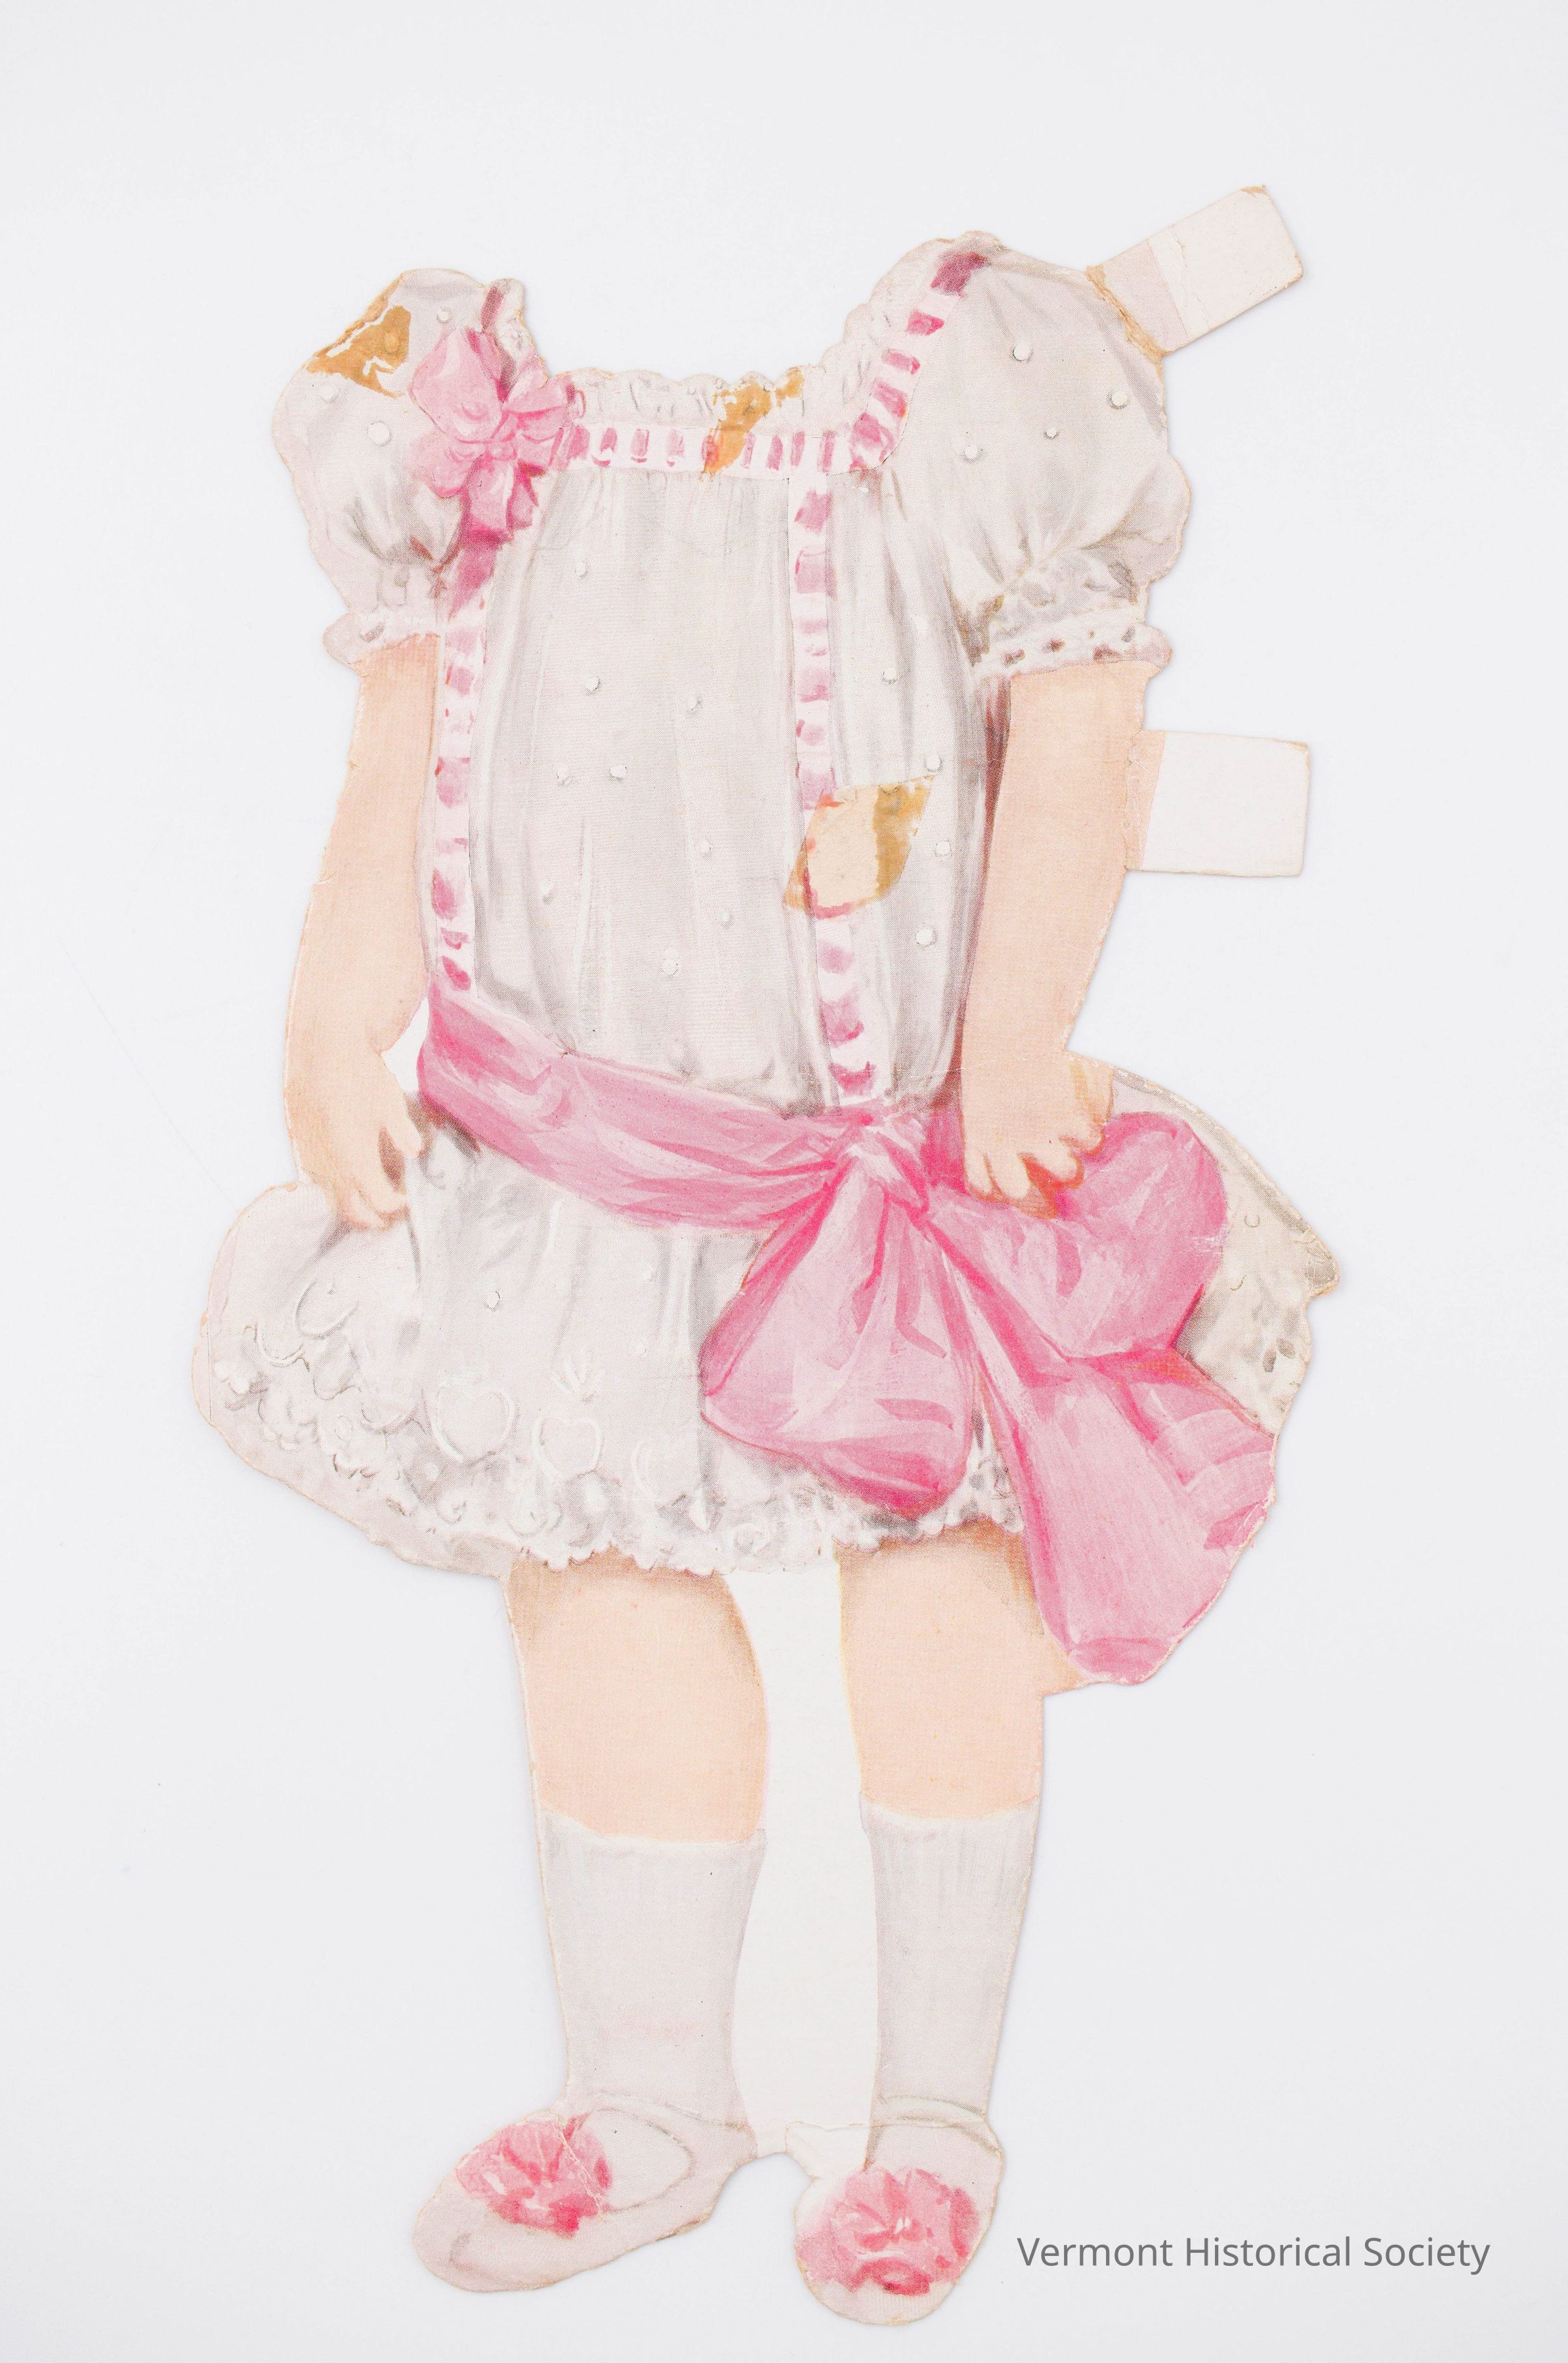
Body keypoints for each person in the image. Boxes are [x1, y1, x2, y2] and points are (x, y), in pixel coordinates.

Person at [198, 238, 1333, 2322]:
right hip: (570, 1170)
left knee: (933, 1585)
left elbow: (1078, 716)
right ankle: (651, 2100)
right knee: (600, 1588)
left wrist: (1015, 1040)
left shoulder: (960, 390)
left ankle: (936, 2112)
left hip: (870, 1156)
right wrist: (334, 1010)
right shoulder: (463, 426)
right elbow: (403, 726)